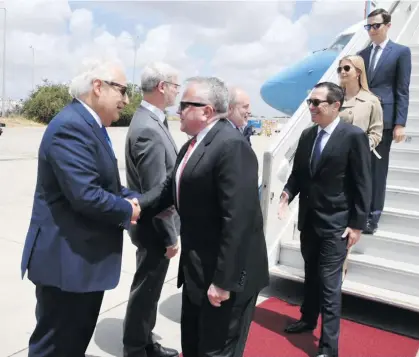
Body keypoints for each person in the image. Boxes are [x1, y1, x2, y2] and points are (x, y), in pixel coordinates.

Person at [138, 76, 269, 357]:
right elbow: (167, 191)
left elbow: (238, 219)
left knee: (216, 351)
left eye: (185, 105)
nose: (178, 110)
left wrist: (224, 281)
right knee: (194, 346)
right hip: (198, 271)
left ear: (207, 111)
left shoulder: (232, 146)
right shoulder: (192, 145)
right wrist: (133, 205)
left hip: (226, 278)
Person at [20, 58, 141, 357]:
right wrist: (128, 210)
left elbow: (104, 185)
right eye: (122, 90)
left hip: (81, 262)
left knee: (72, 345)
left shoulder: (89, 124)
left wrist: (137, 199)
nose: (126, 100)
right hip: (66, 265)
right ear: (98, 87)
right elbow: (86, 195)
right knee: (54, 347)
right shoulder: (70, 127)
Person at [278, 82, 371, 357]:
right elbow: (298, 175)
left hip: (336, 225)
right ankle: (307, 319)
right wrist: (286, 193)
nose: (311, 107)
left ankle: (329, 348)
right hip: (309, 221)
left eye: (317, 103)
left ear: (335, 106)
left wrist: (356, 224)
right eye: (310, 102)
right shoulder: (307, 136)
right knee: (310, 275)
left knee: (330, 286)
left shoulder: (353, 136)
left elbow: (364, 183)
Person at [123, 62, 181, 357]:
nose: (176, 92)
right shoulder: (148, 128)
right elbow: (156, 192)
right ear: (162, 87)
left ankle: (143, 339)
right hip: (153, 228)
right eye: (175, 86)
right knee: (147, 289)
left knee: (148, 287)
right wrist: (170, 236)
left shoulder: (151, 120)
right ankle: (136, 347)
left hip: (149, 225)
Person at [358, 8, 411, 234]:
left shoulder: (400, 52)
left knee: (377, 170)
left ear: (388, 25)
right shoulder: (361, 54)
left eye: (375, 25)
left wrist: (400, 123)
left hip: (385, 121)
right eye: (368, 26)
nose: (371, 30)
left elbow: (402, 89)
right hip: (361, 119)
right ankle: (358, 212)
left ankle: (373, 216)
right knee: (360, 169)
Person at [338, 55, 383, 151]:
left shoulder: (372, 101)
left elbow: (376, 133)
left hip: (358, 158)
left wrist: (362, 147)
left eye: (346, 68)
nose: (342, 72)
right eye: (339, 69)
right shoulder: (333, 98)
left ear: (358, 72)